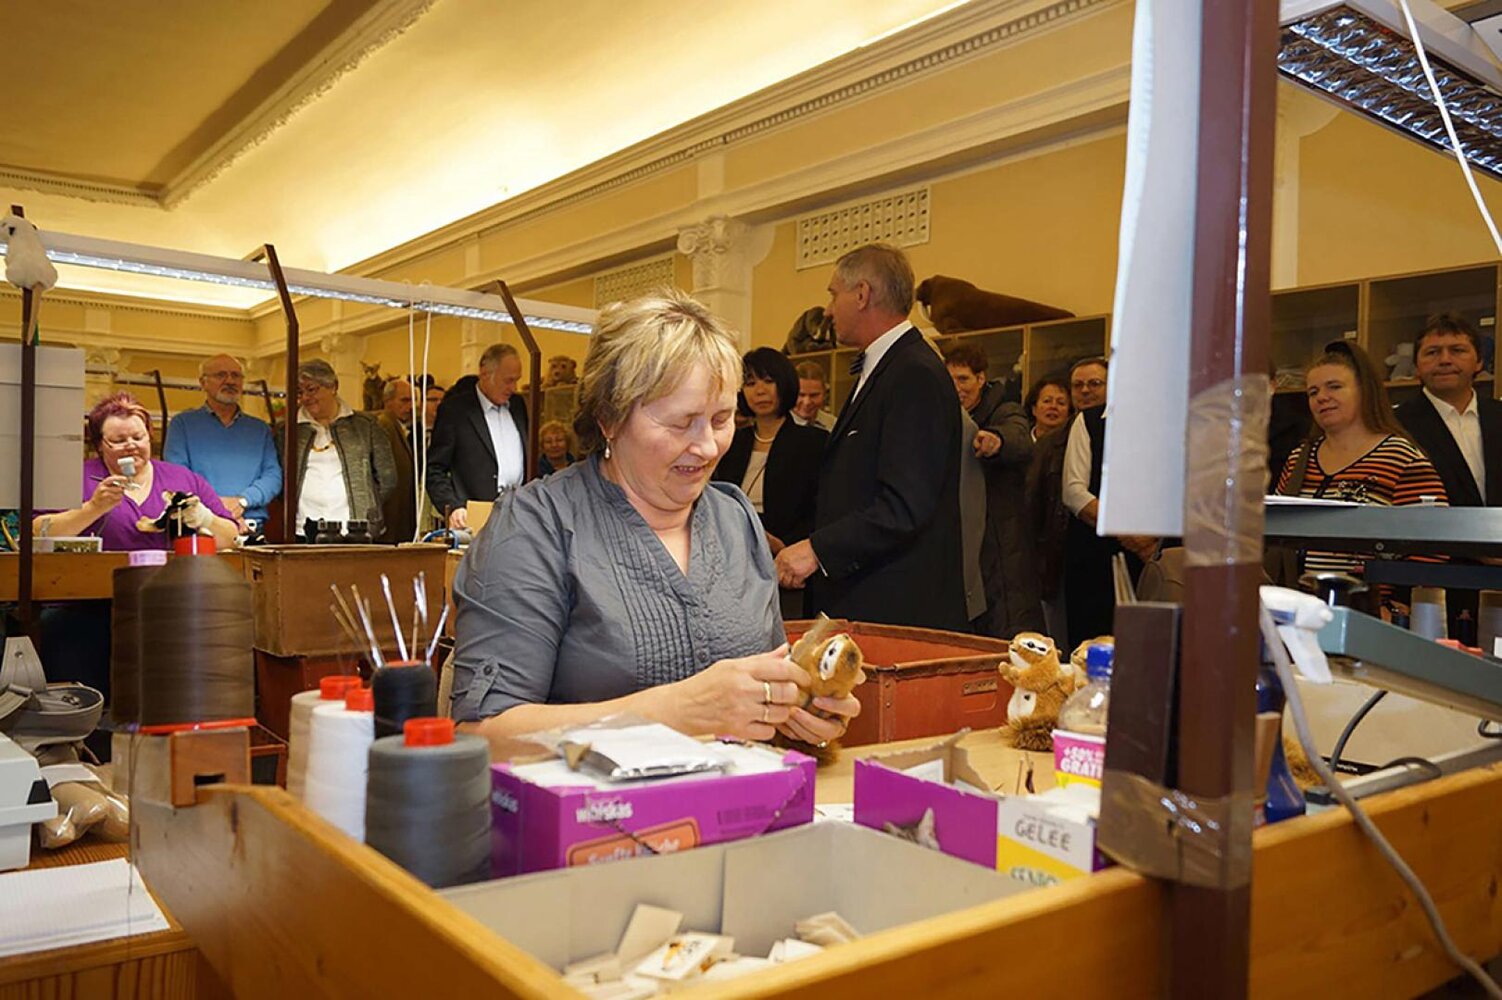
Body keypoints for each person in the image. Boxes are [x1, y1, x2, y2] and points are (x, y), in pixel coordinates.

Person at [450, 291, 859, 751]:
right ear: (609, 418)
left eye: (721, 419)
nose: (707, 447)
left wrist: (797, 707)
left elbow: (764, 685)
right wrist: (680, 712)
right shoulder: (535, 528)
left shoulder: (734, 519)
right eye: (681, 423)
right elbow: (483, 735)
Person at [774, 243, 967, 631]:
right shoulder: (886, 368)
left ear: (862, 294)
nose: (828, 310)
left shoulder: (913, 374)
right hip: (868, 597)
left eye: (833, 294)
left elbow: (904, 504)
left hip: (896, 610)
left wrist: (817, 549)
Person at [1277, 341, 1448, 577]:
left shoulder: (1401, 457)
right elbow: (1275, 530)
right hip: (1297, 597)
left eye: (1334, 387)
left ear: (1364, 392)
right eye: (1313, 392)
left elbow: (1434, 546)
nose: (1322, 397)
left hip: (1370, 597)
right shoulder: (1298, 458)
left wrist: (1390, 591)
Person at [38, 392, 239, 551]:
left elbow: (232, 537)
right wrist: (92, 508)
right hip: (92, 584)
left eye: (138, 437)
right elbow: (37, 532)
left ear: (149, 436)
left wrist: (205, 518)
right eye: (118, 440)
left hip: (169, 586)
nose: (131, 446)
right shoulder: (75, 478)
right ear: (99, 445)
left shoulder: (182, 479)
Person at [713, 348, 828, 618]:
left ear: (784, 383)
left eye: (768, 381)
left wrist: (781, 543)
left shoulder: (813, 442)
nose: (760, 391)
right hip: (734, 559)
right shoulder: (731, 441)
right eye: (750, 383)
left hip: (789, 561)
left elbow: (820, 508)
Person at [945, 344, 1043, 637]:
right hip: (961, 540)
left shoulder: (1004, 409)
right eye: (950, 379)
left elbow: (1019, 438)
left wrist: (996, 441)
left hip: (1001, 543)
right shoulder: (943, 416)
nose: (956, 387)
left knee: (1007, 628)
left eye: (963, 379)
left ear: (980, 378)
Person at [1060, 356, 1153, 647]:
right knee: (1093, 645)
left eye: (1095, 383)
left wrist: (1151, 540)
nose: (1086, 390)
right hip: (1096, 556)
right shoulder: (1088, 422)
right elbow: (1074, 492)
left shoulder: (1164, 422)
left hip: (1155, 553)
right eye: (1078, 385)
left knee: (1148, 643)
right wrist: (1129, 533)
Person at [162, 354, 281, 532]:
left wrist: (243, 501)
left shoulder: (260, 429)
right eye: (221, 375)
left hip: (250, 528)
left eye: (236, 375)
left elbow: (273, 476)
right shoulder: (182, 425)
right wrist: (219, 512)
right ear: (203, 383)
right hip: (199, 527)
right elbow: (178, 475)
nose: (230, 381)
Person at [1395, 313, 1501, 508]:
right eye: (1432, 352)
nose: (1445, 360)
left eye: (1457, 350)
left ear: (1479, 362)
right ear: (1416, 366)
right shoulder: (1395, 426)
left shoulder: (1498, 415)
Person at [427, 344, 529, 531]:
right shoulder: (456, 410)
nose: (513, 388)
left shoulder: (518, 405)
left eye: (517, 380)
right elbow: (435, 469)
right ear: (485, 374)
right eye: (508, 381)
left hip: (518, 514)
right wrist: (453, 506)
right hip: (474, 517)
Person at [293, 359, 398, 539]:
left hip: (358, 530)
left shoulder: (367, 426)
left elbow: (387, 478)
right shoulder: (288, 430)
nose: (305, 398)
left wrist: (366, 504)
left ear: (333, 386)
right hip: (303, 529)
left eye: (311, 389)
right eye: (299, 392)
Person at [376, 377, 417, 544]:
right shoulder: (383, 425)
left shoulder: (399, 427)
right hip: (388, 522)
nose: (411, 406)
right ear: (388, 401)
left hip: (399, 521)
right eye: (405, 400)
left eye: (413, 400)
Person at [1023, 373, 1072, 441]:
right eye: (1047, 401)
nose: (1053, 406)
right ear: (1034, 409)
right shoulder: (1020, 442)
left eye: (1061, 403)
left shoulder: (1073, 443)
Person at [791, 361, 835, 431]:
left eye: (814, 395)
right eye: (801, 395)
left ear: (825, 394)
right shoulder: (776, 426)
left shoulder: (834, 425)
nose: (807, 402)